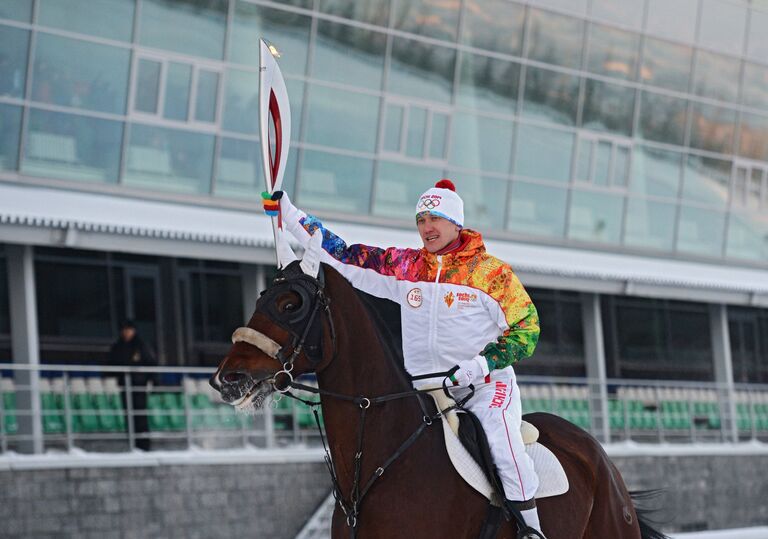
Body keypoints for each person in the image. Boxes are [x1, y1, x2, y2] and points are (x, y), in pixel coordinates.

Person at [264, 179, 545, 537]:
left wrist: (481, 364)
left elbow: (527, 328)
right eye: (421, 220)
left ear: (456, 222)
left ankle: (531, 530)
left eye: (435, 218)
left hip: (485, 387)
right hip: (423, 388)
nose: (427, 227)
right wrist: (290, 216)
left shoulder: (491, 274)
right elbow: (343, 255)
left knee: (504, 450)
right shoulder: (408, 266)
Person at [109, 319, 157, 451]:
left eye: (129, 329)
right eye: (124, 330)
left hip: (139, 385)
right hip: (125, 385)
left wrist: (151, 381)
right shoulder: (118, 346)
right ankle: (132, 444)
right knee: (128, 415)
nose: (126, 332)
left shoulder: (141, 345)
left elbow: (151, 363)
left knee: (140, 415)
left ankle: (144, 446)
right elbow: (110, 365)